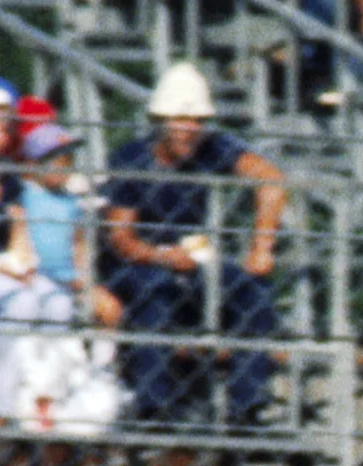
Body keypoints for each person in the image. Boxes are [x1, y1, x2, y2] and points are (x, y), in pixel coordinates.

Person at [97, 64, 288, 430]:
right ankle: (154, 406)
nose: (190, 130)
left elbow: (271, 181)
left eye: (197, 121)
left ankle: (247, 407)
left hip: (191, 260)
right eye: (181, 121)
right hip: (139, 262)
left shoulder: (211, 148)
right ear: (161, 121)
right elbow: (121, 239)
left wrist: (261, 247)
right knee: (154, 290)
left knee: (251, 289)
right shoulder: (131, 160)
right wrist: (163, 257)